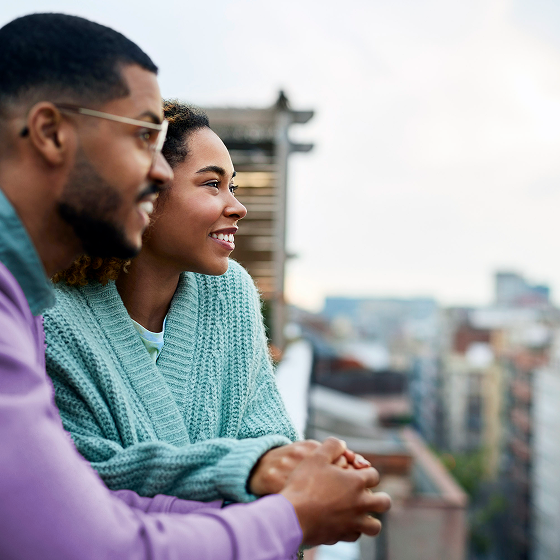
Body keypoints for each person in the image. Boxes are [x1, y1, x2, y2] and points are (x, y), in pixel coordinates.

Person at [0, 12, 391, 560]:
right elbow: (89, 528)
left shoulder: (20, 296)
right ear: (49, 132)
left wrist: (270, 475)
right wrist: (281, 510)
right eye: (141, 138)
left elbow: (92, 509)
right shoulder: (33, 313)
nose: (157, 172)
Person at [44, 100, 371, 503]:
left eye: (231, 185)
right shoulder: (50, 317)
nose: (238, 206)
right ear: (143, 189)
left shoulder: (231, 292)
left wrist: (301, 465)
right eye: (212, 184)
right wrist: (245, 472)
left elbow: (267, 431)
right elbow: (78, 475)